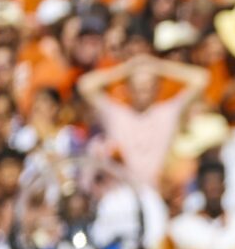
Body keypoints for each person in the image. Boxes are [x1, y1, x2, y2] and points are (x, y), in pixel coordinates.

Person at [77, 54, 209, 191]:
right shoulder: (116, 114)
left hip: (155, 192)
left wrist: (158, 66)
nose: (143, 90)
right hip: (121, 192)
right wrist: (126, 69)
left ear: (157, 87)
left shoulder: (167, 112)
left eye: (148, 85)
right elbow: (85, 85)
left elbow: (201, 78)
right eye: (137, 85)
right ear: (127, 88)